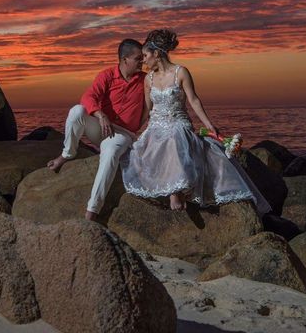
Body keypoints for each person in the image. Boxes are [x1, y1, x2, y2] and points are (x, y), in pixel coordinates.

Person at [121, 29, 271, 215]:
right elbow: (147, 109)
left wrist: (208, 124)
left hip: (179, 122)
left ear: (157, 54)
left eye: (145, 55)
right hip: (156, 125)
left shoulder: (181, 72)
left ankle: (176, 192)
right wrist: (133, 130)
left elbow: (193, 100)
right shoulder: (149, 79)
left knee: (174, 138)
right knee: (142, 148)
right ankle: (172, 188)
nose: (143, 60)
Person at [47, 39, 146, 221]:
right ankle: (68, 154)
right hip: (102, 126)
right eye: (138, 58)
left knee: (110, 153)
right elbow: (88, 96)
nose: (142, 62)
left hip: (123, 134)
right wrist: (100, 115)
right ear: (125, 59)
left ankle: (92, 211)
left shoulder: (145, 80)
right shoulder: (107, 75)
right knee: (77, 111)